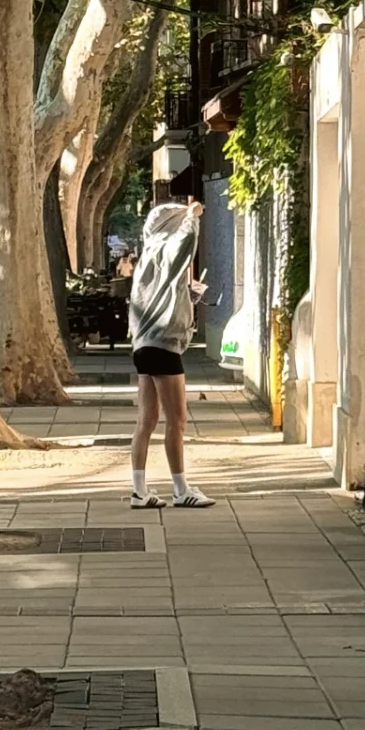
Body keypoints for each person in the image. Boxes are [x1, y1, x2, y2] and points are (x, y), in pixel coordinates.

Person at [128, 185, 214, 509]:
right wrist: (193, 216)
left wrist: (187, 295)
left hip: (143, 345)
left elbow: (160, 295)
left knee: (146, 421)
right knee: (177, 421)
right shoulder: (167, 249)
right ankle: (181, 489)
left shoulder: (146, 257)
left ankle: (139, 491)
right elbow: (184, 244)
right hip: (164, 345)